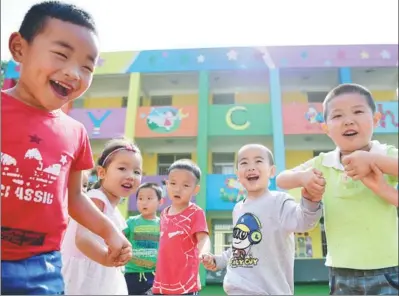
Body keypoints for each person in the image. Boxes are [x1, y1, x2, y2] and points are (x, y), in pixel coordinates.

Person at [1, 2, 132, 294]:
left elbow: (74, 197)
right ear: (19, 48)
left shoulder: (75, 132)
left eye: (87, 67)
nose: (74, 73)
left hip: (41, 267)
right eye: (61, 54)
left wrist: (109, 231)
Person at [276, 83, 398, 295]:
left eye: (358, 111)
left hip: (387, 267)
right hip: (340, 270)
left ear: (376, 120)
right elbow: (281, 179)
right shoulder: (323, 163)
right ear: (325, 128)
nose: (348, 120)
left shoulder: (384, 153)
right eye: (337, 116)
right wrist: (303, 176)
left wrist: (372, 160)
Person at [201, 144, 323, 295]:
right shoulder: (238, 209)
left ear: (271, 171)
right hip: (237, 288)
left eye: (258, 161)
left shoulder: (279, 200)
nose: (251, 167)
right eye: (244, 163)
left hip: (271, 290)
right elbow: (239, 246)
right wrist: (219, 260)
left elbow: (304, 222)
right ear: (237, 174)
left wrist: (311, 200)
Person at [61, 138, 143, 295]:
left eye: (137, 171)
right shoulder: (96, 199)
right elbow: (82, 238)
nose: (130, 176)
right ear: (101, 172)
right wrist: (106, 258)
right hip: (84, 278)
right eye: (122, 168)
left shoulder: (114, 209)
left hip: (100, 275)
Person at [152, 159, 211, 295]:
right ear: (166, 185)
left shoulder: (196, 212)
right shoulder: (163, 214)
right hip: (161, 283)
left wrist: (204, 253)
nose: (178, 189)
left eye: (185, 185)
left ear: (195, 189)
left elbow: (203, 238)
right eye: (173, 183)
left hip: (185, 284)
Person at [124, 182, 163, 295]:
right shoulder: (131, 222)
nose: (144, 202)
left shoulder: (163, 224)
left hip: (155, 276)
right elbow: (117, 238)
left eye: (149, 198)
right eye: (140, 198)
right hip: (131, 275)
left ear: (160, 202)